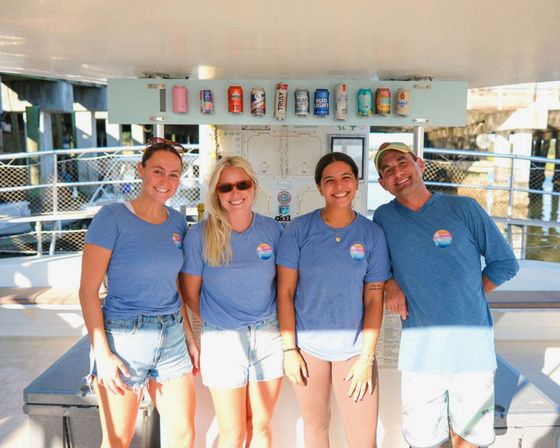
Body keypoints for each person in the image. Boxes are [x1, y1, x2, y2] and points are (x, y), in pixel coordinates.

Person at [372, 142, 519, 448]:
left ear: (420, 165)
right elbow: (378, 266)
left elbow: (505, 263)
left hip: (472, 347)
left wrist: (468, 293)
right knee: (425, 440)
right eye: (388, 171)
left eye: (403, 163)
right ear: (384, 185)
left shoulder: (463, 208)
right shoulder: (384, 219)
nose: (398, 173)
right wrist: (389, 282)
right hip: (419, 351)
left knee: (469, 438)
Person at [79, 138, 199, 448]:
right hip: (124, 339)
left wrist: (188, 335)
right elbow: (88, 291)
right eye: (158, 172)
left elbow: (173, 282)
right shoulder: (112, 218)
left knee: (184, 435)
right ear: (141, 171)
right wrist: (102, 355)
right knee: (119, 439)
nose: (166, 181)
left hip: (171, 336)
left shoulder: (177, 221)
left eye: (174, 174)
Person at [276, 152, 391, 448]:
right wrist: (290, 350)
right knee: (315, 429)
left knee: (363, 440)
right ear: (319, 188)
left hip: (355, 352)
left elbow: (374, 300)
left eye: (346, 178)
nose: (339, 186)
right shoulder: (298, 230)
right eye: (330, 180)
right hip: (308, 348)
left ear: (356, 183)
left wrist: (366, 358)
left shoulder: (372, 235)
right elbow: (285, 293)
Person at [180, 156, 284, 448]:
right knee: (232, 432)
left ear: (253, 186)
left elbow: (285, 286)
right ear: (216, 193)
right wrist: (222, 319)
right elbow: (190, 292)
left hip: (268, 337)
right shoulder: (199, 235)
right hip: (222, 339)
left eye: (242, 184)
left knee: (261, 427)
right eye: (226, 188)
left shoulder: (273, 231)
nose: (235, 193)